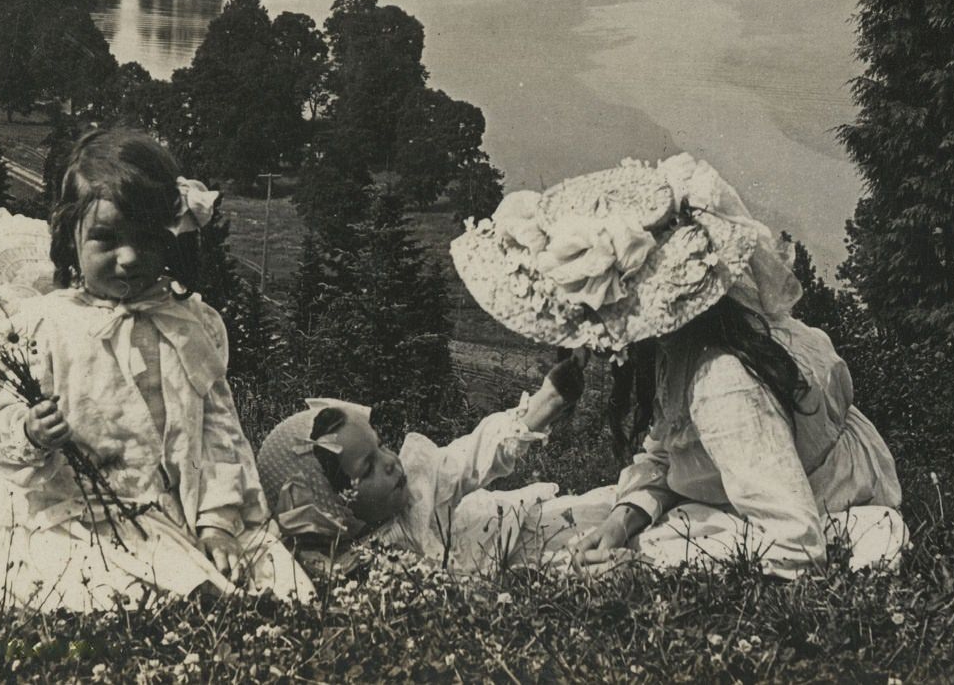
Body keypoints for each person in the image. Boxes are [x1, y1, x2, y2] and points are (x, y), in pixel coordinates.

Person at [449, 153, 907, 579]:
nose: (595, 343)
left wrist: (644, 565)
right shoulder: (686, 347)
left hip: (814, 499)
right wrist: (622, 521)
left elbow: (798, 544)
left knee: (602, 548)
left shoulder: (724, 387)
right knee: (583, 523)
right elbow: (670, 452)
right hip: (760, 477)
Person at [0, 128, 313, 610]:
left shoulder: (188, 325)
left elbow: (219, 431)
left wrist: (218, 521)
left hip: (166, 507)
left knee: (249, 587)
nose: (130, 256)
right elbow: (5, 424)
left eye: (145, 237)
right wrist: (30, 432)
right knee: (88, 591)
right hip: (71, 511)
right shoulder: (42, 326)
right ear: (70, 236)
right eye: (106, 238)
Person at [255, 353, 587, 574]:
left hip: (497, 526)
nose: (390, 462)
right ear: (329, 509)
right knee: (577, 567)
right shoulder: (341, 569)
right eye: (367, 468)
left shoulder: (417, 490)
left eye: (382, 446)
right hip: (492, 570)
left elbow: (469, 457)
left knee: (586, 529)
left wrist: (547, 402)